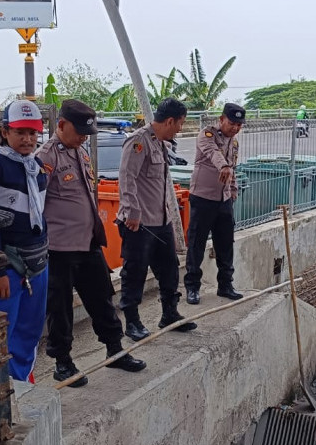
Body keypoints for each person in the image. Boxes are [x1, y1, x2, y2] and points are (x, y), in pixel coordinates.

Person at [36, 99, 146, 387]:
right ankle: (63, 363)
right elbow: (36, 203)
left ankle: (115, 349)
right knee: (60, 309)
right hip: (59, 247)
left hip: (87, 243)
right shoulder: (46, 156)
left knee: (102, 299)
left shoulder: (81, 151)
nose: (85, 137)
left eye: (88, 132)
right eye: (80, 131)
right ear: (61, 125)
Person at [0, 100, 49, 382]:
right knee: (3, 330)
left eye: (32, 132)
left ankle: (21, 381)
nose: (27, 139)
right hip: (9, 266)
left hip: (37, 261)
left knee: (30, 328)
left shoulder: (36, 166)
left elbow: (40, 214)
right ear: (4, 132)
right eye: (20, 132)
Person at [117, 98, 197, 341]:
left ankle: (169, 314)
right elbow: (126, 177)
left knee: (169, 269)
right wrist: (131, 211)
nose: (180, 129)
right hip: (138, 222)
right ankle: (132, 322)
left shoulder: (159, 143)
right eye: (180, 123)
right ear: (169, 120)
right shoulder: (139, 141)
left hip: (160, 219)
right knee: (135, 272)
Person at [184, 103, 246, 305]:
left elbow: (233, 168)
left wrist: (233, 190)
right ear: (221, 120)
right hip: (203, 198)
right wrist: (225, 167)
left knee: (225, 244)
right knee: (196, 243)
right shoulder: (206, 135)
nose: (235, 128)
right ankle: (192, 288)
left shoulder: (234, 143)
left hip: (224, 200)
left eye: (239, 124)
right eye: (232, 123)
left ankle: (225, 285)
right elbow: (213, 154)